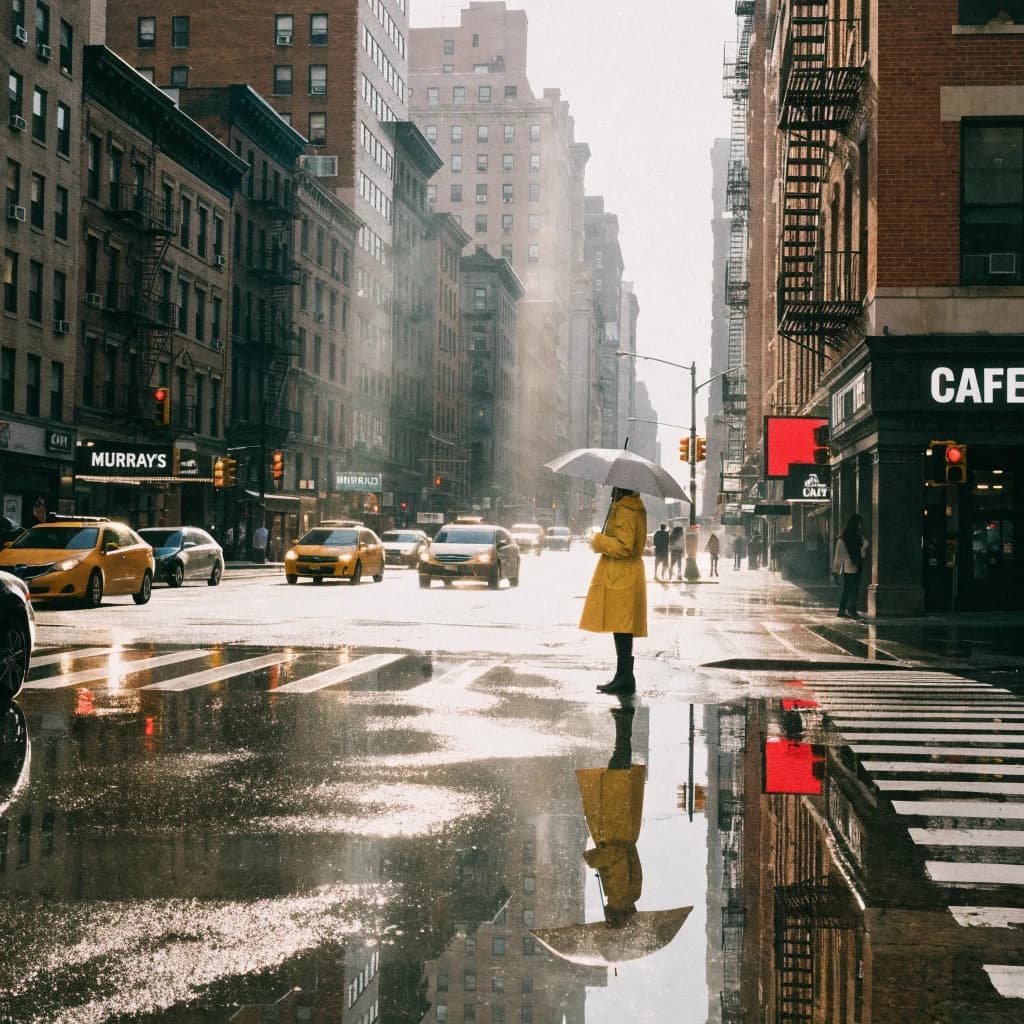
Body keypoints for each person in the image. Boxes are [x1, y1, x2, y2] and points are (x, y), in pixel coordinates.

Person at [580, 487, 648, 696]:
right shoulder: (629, 507)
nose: (611, 491)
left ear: (621, 489)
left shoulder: (627, 509)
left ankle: (625, 677)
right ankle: (623, 675)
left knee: (622, 626)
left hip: (622, 575)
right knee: (621, 627)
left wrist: (599, 541)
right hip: (624, 573)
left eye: (614, 488)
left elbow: (624, 547)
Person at [832, 513, 868, 619]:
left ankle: (846, 609)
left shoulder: (845, 538)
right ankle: (847, 609)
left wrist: (836, 570)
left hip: (852, 565)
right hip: (853, 565)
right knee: (851, 588)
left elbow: (838, 556)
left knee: (849, 588)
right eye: (859, 523)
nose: (860, 526)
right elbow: (840, 556)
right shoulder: (854, 537)